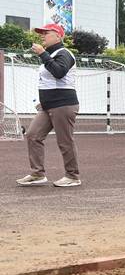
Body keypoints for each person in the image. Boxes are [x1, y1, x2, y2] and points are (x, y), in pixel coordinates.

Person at [16, 23, 81, 187]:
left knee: (64, 141)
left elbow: (59, 73)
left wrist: (43, 54)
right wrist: (42, 102)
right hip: (48, 106)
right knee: (33, 135)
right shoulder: (51, 55)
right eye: (41, 33)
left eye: (46, 33)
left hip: (64, 105)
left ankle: (73, 176)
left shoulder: (64, 53)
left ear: (58, 36)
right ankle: (37, 174)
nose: (42, 35)